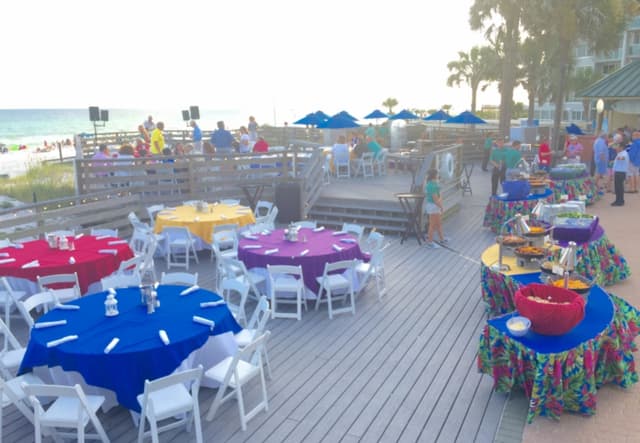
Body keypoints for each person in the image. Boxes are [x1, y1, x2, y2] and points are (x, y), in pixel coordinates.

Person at [424, 168, 446, 249]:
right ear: (434, 175)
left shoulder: (430, 184)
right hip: (433, 206)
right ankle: (430, 242)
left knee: (439, 223)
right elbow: (436, 199)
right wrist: (441, 207)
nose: (438, 175)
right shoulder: (432, 186)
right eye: (437, 174)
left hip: (432, 206)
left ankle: (442, 239)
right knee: (432, 225)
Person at [611, 140, 629, 206]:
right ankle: (618, 200)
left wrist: (617, 157)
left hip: (620, 172)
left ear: (621, 147)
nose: (616, 148)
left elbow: (622, 158)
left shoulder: (624, 153)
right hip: (618, 171)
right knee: (617, 187)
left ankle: (620, 201)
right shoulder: (620, 153)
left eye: (618, 146)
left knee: (619, 187)